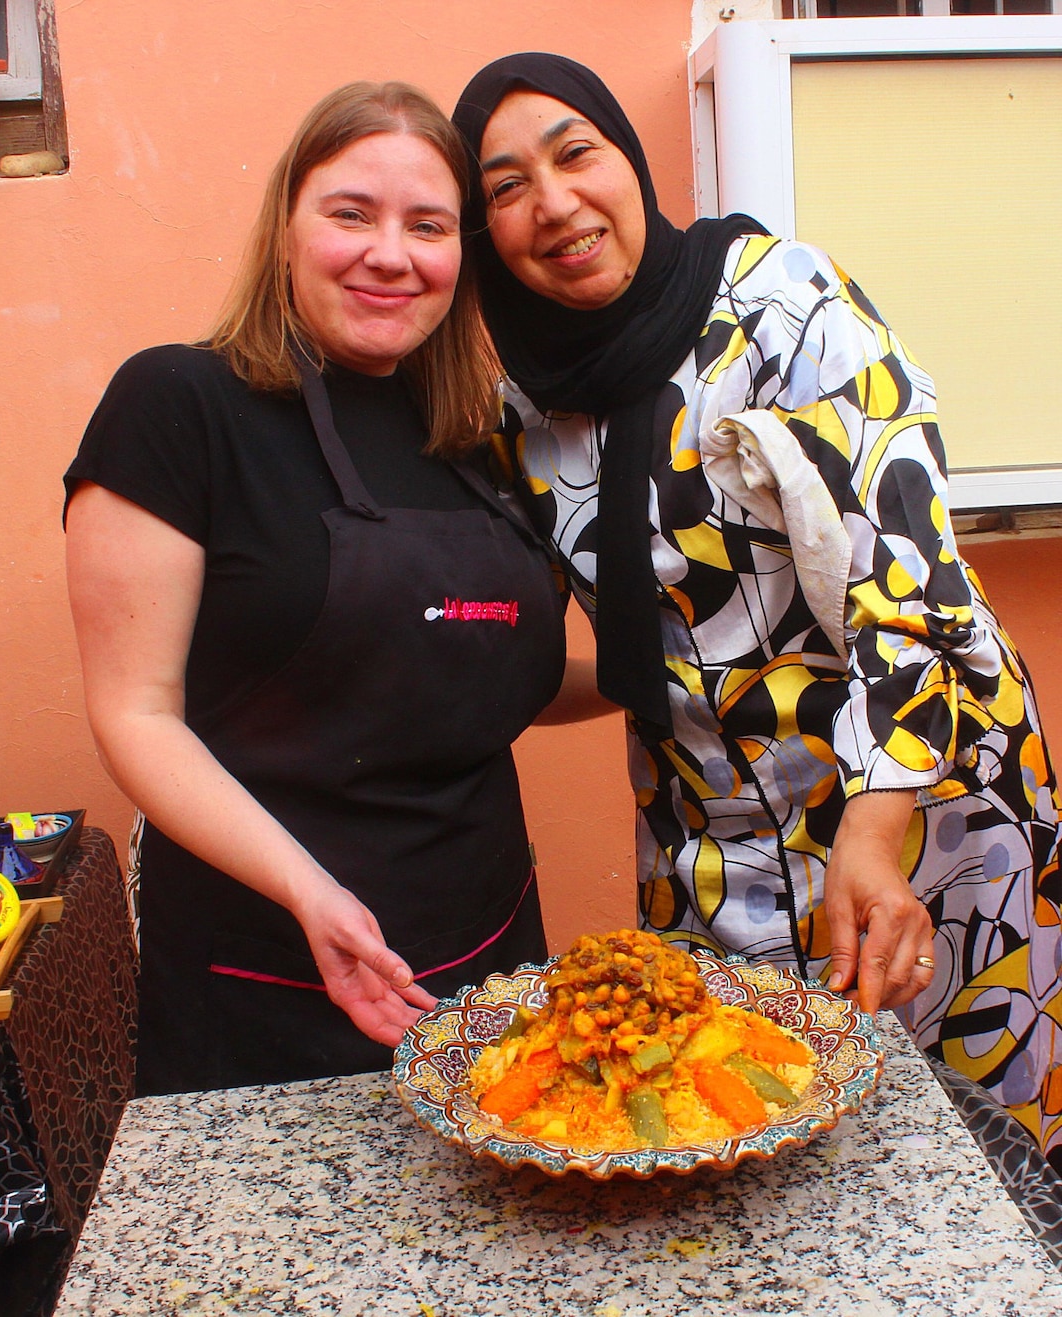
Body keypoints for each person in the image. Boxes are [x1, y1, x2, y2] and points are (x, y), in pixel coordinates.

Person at [452, 52, 1062, 1166]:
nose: (553, 203)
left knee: (976, 1175)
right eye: (503, 188)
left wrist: (872, 846)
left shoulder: (781, 305)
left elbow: (912, 587)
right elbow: (591, 649)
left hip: (918, 825)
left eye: (575, 152)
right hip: (713, 859)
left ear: (626, 159)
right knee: (750, 1169)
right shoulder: (520, 415)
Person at [65, 80, 566, 1097]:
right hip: (268, 972)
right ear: (286, 229)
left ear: (459, 259)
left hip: (494, 962)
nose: (392, 253)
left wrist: (686, 674)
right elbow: (137, 713)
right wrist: (312, 893)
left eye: (428, 225)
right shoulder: (178, 407)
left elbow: (502, 669)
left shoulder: (473, 443)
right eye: (351, 214)